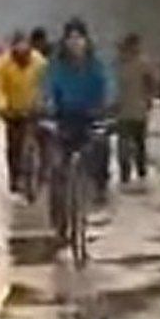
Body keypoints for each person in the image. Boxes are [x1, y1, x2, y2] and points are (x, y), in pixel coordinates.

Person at [44, 18, 110, 236]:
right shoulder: (56, 66)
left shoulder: (96, 66)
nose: (75, 43)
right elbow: (47, 90)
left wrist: (106, 109)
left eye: (79, 38)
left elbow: (108, 87)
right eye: (71, 38)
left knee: (99, 151)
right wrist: (48, 109)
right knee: (57, 168)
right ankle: (59, 218)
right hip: (63, 118)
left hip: (90, 117)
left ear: (86, 40)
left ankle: (97, 191)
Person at [0, 30, 48, 194]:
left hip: (34, 109)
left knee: (40, 140)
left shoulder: (39, 62)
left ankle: (41, 174)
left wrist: (43, 103)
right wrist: (3, 106)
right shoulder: (3, 64)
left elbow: (46, 84)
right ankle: (15, 178)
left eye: (24, 44)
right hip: (13, 110)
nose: (21, 48)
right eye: (18, 44)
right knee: (14, 146)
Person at [114, 33, 159, 184]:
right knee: (124, 145)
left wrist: (149, 99)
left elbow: (152, 83)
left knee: (139, 143)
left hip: (138, 109)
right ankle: (125, 174)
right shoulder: (118, 63)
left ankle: (141, 172)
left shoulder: (143, 63)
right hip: (123, 111)